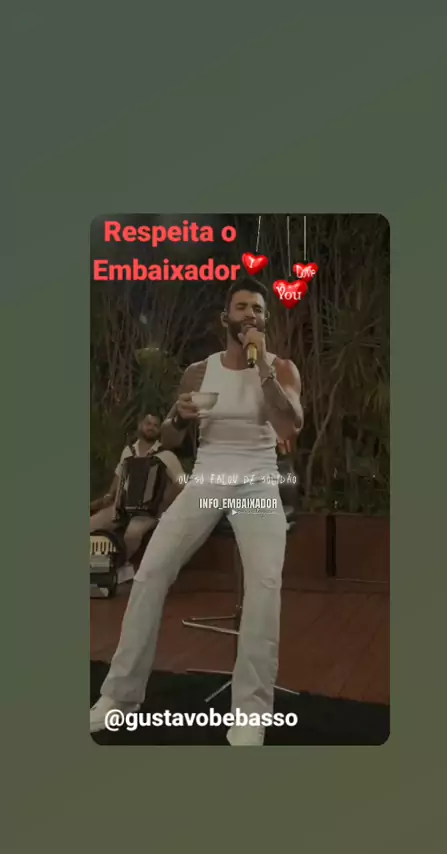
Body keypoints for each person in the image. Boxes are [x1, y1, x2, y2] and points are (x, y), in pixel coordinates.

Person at [90, 279, 303, 745]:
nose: (250, 315)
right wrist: (179, 418)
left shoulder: (282, 368)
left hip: (258, 481)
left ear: (265, 320)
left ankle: (250, 712)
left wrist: (261, 367)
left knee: (265, 587)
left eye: (258, 309)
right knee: (150, 574)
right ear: (225, 319)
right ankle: (120, 697)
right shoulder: (198, 372)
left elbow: (289, 427)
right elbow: (169, 438)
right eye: (241, 307)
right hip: (206, 479)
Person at [90, 413, 185, 571]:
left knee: (133, 534)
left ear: (160, 430)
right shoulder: (128, 451)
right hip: (120, 507)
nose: (151, 427)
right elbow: (119, 475)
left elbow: (182, 483)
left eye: (155, 425)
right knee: (91, 524)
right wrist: (109, 495)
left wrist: (164, 504)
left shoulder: (166, 455)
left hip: (148, 512)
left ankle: (117, 566)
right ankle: (94, 565)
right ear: (140, 425)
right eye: (148, 423)